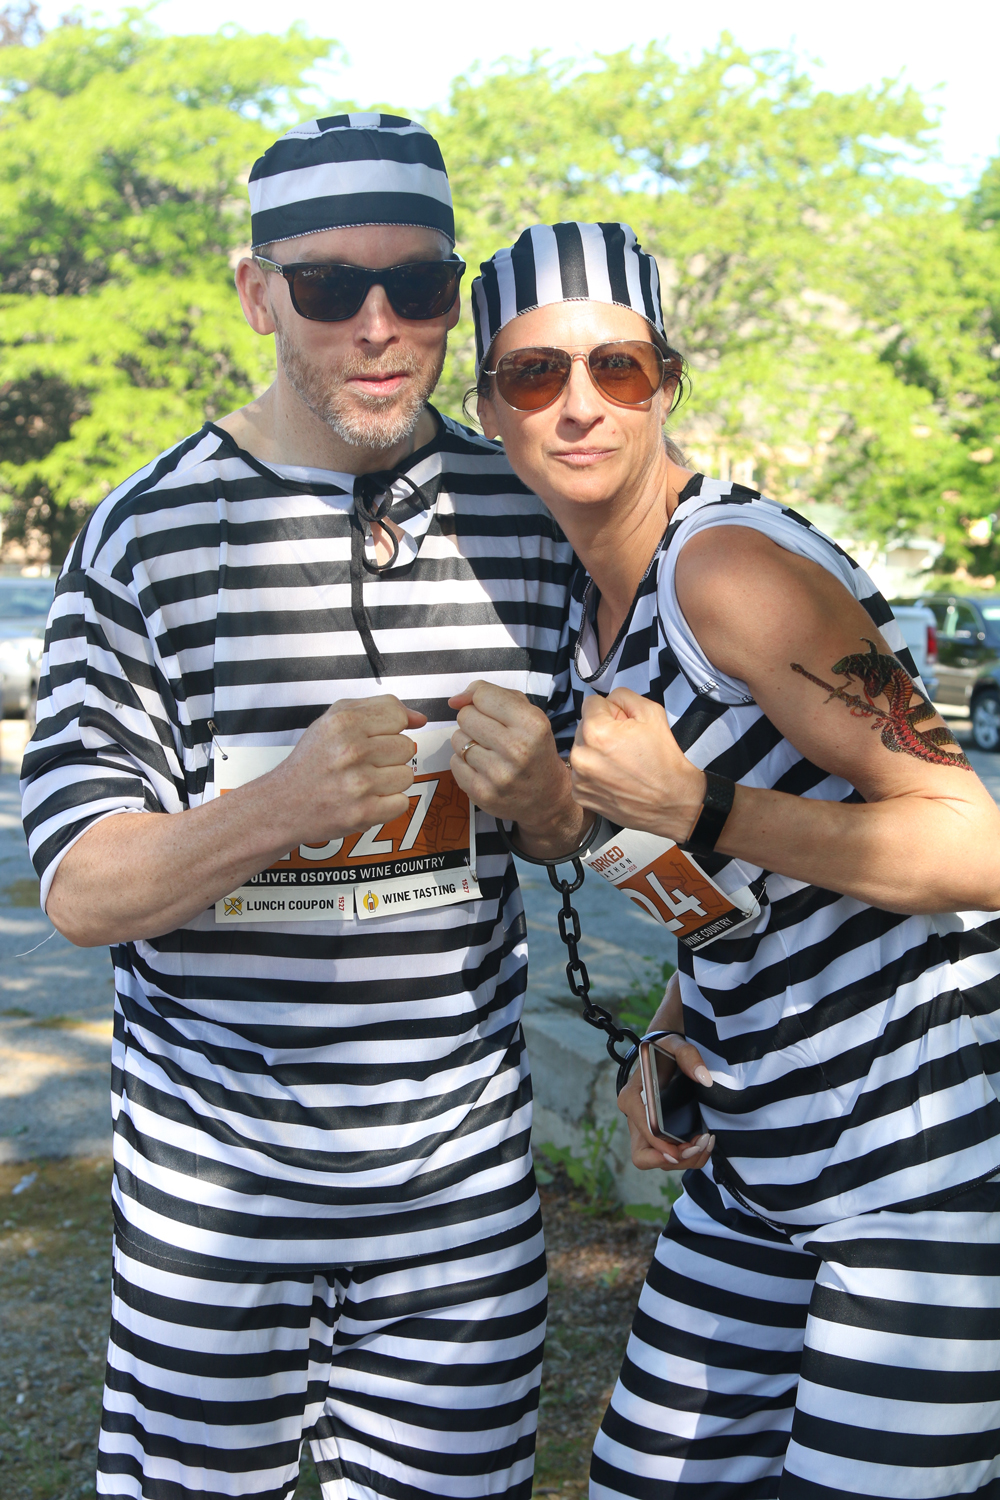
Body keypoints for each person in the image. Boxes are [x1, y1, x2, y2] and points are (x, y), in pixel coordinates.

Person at [20, 118, 591, 1500]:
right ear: (257, 292)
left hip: (458, 1203)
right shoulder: (146, 534)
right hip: (215, 1205)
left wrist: (551, 802)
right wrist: (278, 806)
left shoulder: (527, 519)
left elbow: (589, 829)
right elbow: (81, 890)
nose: (379, 327)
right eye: (332, 287)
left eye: (420, 284)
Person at [467, 219, 1000, 1498]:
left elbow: (975, 844)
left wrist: (697, 801)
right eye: (535, 374)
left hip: (927, 1165)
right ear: (488, 411)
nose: (580, 404)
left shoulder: (726, 571)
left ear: (667, 383)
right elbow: (747, 901)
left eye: (618, 367)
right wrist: (669, 1029)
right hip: (758, 1166)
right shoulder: (587, 617)